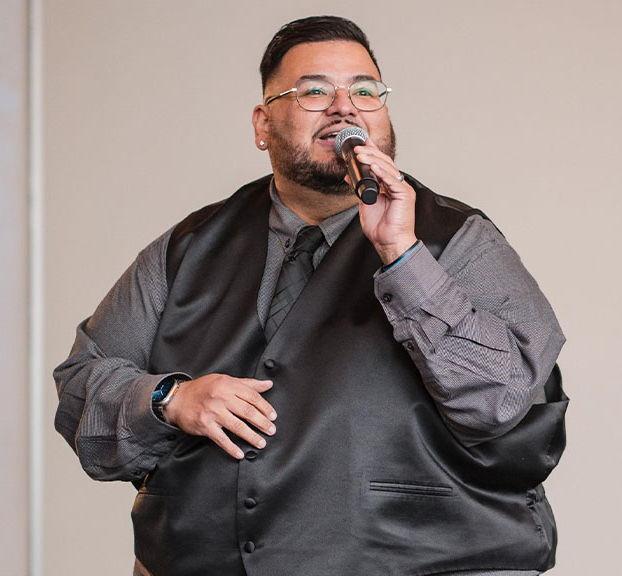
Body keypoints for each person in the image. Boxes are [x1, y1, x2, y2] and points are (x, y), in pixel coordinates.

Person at [53, 15, 569, 576]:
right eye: (315, 91)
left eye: (365, 91)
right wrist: (170, 399)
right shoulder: (188, 247)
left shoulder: (459, 239)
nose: (345, 108)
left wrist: (403, 255)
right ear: (262, 124)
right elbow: (83, 385)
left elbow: (499, 399)